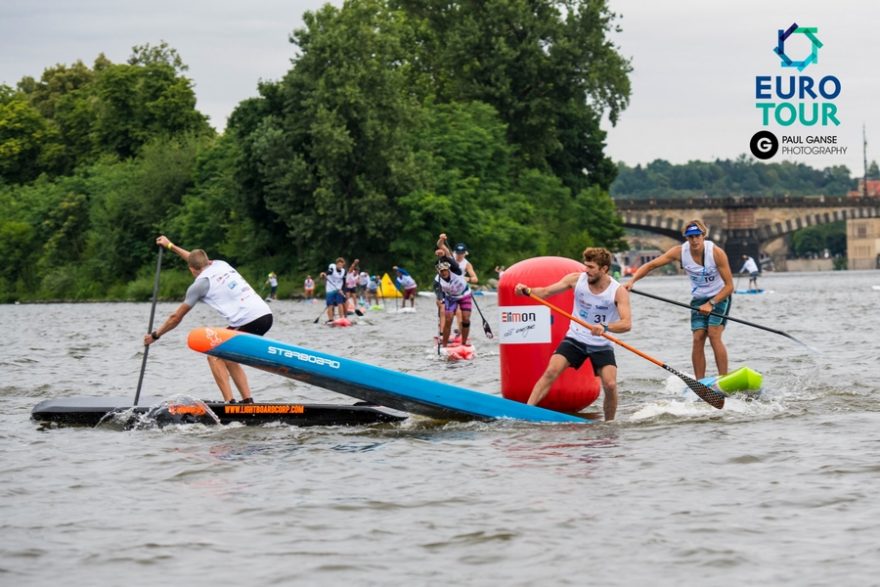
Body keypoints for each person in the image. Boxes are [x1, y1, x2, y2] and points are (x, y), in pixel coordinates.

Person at [143, 236, 273, 404]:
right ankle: (247, 401)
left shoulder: (199, 285)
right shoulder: (220, 264)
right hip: (265, 315)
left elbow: (176, 318)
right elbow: (195, 259)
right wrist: (170, 246)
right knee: (228, 356)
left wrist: (155, 335)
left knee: (214, 355)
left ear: (191, 269)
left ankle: (229, 403)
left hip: (250, 320)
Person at [514, 247, 631, 421]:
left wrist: (605, 327)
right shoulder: (576, 280)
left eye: (591, 267)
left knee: (610, 384)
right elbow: (545, 292)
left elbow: (626, 324)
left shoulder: (617, 291)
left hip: (601, 343)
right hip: (576, 337)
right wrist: (527, 291)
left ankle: (609, 424)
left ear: (604, 269)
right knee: (550, 372)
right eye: (586, 266)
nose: (586, 270)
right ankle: (526, 412)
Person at [624, 219, 734, 379]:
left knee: (713, 335)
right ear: (686, 237)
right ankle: (700, 382)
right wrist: (632, 281)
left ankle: (724, 379)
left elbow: (730, 286)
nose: (694, 240)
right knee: (697, 338)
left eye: (697, 236)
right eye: (690, 237)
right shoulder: (679, 252)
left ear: (703, 235)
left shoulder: (716, 253)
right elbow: (650, 265)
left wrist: (711, 303)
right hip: (698, 299)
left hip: (719, 296)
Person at [433, 249, 474, 347]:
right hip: (450, 298)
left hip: (464, 294)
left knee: (466, 318)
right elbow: (439, 293)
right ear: (438, 271)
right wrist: (440, 300)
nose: (444, 273)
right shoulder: (437, 280)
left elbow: (450, 259)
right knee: (449, 319)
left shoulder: (456, 270)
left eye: (445, 270)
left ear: (448, 269)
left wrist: (443, 255)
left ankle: (463, 343)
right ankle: (444, 345)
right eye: (441, 271)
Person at [320, 257, 350, 322]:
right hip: (330, 290)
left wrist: (343, 290)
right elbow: (327, 272)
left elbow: (344, 282)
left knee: (340, 303)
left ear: (343, 265)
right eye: (338, 264)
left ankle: (341, 318)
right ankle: (331, 319)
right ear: (336, 264)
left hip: (339, 290)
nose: (340, 266)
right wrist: (323, 274)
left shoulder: (344, 271)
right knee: (330, 305)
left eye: (341, 265)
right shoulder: (332, 269)